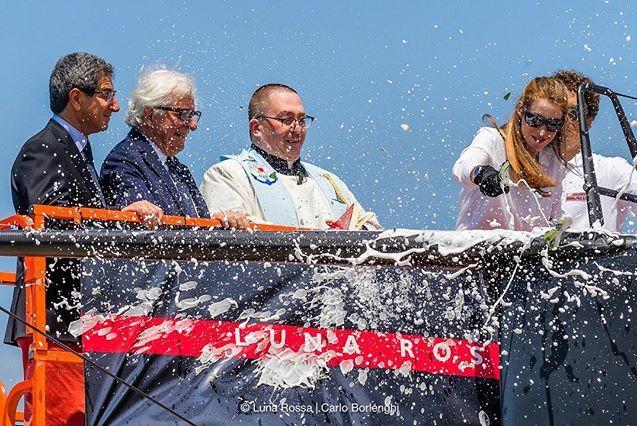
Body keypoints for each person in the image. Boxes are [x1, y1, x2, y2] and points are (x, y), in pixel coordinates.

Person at [7, 52, 163, 425]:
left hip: (82, 317)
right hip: (55, 318)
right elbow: (54, 225)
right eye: (106, 94)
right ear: (77, 98)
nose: (115, 105)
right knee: (64, 417)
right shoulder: (43, 148)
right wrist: (120, 220)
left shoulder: (77, 150)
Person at [200, 83, 380, 230]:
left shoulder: (328, 181)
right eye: (286, 120)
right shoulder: (227, 174)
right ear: (256, 128)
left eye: (301, 120)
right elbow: (231, 231)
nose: (297, 128)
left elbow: (371, 231)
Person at [100, 68, 249, 229]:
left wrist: (219, 222)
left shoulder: (178, 168)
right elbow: (141, 227)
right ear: (150, 115)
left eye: (193, 115)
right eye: (184, 114)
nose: (193, 125)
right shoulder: (124, 160)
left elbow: (198, 230)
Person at [452, 77, 569, 231]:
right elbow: (462, 168)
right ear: (521, 109)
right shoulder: (492, 139)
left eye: (553, 125)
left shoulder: (554, 162)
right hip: (479, 249)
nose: (542, 132)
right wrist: (481, 174)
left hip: (529, 253)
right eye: (535, 120)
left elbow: (555, 220)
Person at [553, 70, 637, 231]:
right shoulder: (524, 167)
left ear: (589, 119)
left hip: (596, 256)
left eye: (572, 113)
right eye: (557, 112)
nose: (562, 120)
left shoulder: (610, 169)